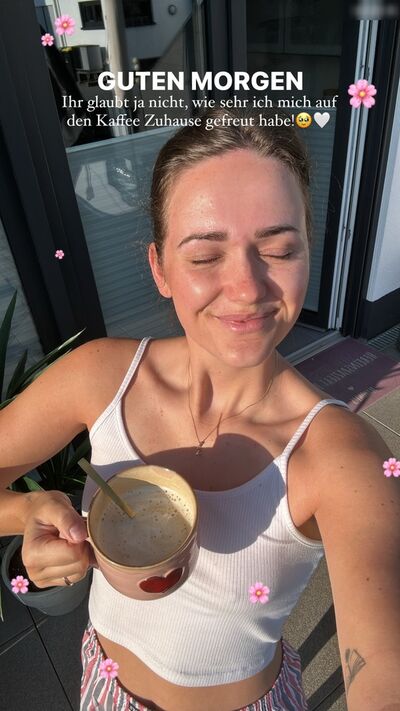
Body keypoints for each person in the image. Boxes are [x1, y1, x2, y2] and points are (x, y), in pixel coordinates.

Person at [1, 107, 399, 711]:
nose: (247, 288)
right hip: (104, 684)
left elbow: (384, 669)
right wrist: (28, 509)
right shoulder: (101, 378)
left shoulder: (340, 457)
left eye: (279, 249)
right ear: (160, 268)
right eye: (206, 256)